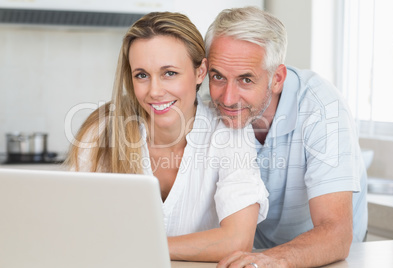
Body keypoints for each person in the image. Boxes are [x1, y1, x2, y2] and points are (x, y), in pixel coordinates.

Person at [64, 12, 268, 262]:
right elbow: (72, 228)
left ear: (200, 72)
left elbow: (237, 240)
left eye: (169, 73)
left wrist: (137, 246)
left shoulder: (227, 133)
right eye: (142, 75)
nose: (155, 91)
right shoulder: (103, 129)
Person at [204, 6, 368, 268]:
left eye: (246, 80)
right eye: (218, 77)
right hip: (254, 255)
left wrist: (272, 259)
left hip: (331, 257)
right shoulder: (208, 110)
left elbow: (336, 234)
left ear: (277, 79)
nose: (227, 98)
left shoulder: (322, 108)